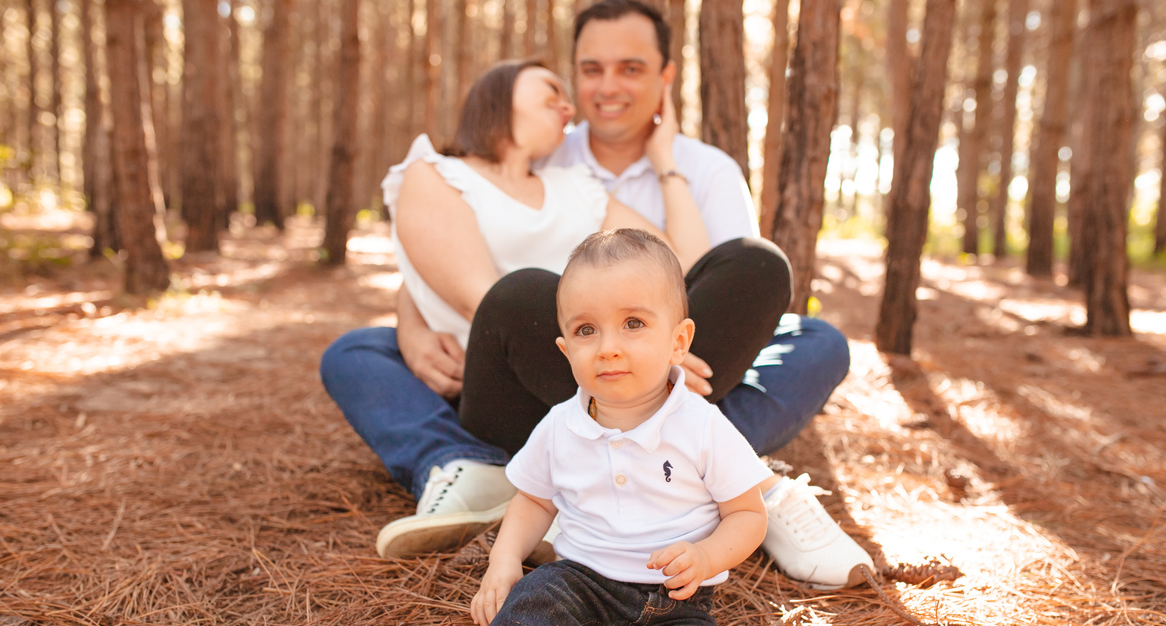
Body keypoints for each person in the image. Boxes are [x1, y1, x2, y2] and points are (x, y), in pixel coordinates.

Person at [321, 0, 873, 591]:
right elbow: (453, 268)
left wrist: (667, 168)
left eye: (630, 69)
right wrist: (409, 321)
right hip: (538, 366)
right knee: (370, 348)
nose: (601, 89)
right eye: (589, 71)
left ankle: (700, 468)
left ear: (665, 77)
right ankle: (735, 476)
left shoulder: (681, 170)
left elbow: (697, 276)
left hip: (660, 355)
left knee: (800, 318)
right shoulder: (549, 155)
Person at [460, 229, 772, 626]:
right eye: (586, 330)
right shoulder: (561, 425)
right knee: (538, 595)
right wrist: (504, 560)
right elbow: (534, 501)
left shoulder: (701, 426)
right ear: (565, 349)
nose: (608, 345)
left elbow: (747, 515)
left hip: (677, 603)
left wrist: (706, 556)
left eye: (633, 323)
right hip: (582, 581)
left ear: (679, 340)